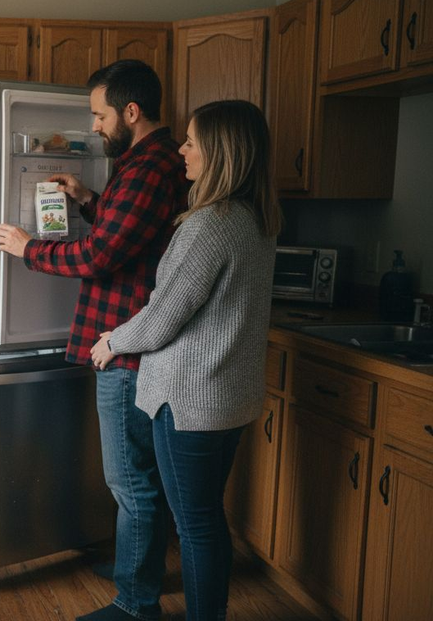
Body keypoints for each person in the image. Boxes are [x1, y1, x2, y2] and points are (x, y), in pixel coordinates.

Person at [0, 59, 189, 621]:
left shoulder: (149, 167)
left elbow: (102, 254)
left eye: (101, 115)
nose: (97, 127)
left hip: (125, 345)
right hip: (128, 338)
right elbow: (126, 231)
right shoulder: (146, 165)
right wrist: (86, 199)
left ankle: (135, 602)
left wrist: (29, 248)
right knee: (135, 475)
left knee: (130, 480)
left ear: (131, 111)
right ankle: (137, 566)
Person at [90, 100, 281, 619]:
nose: (182, 150)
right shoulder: (257, 220)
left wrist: (112, 341)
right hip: (228, 398)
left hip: (191, 399)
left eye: (192, 142)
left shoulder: (210, 224)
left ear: (220, 153)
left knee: (195, 526)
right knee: (206, 520)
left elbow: (164, 316)